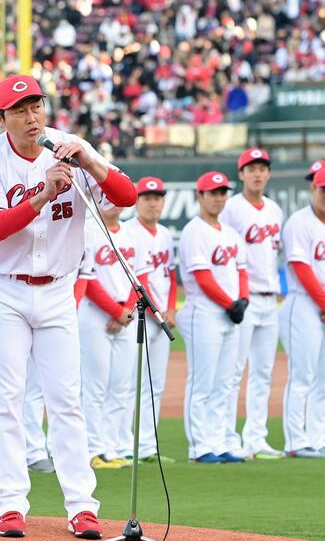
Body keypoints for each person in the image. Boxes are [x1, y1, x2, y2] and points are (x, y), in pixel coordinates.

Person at [0, 74, 136, 538]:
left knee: (66, 399)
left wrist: (91, 163)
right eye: (19, 110)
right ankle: (10, 505)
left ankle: (82, 506)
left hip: (58, 288)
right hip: (3, 288)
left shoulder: (69, 148)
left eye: (36, 106)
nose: (31, 117)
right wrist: (43, 194)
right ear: (1, 118)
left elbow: (127, 197)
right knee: (7, 398)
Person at [177, 171, 248, 464]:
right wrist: (230, 303)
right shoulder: (194, 231)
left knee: (223, 382)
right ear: (200, 195)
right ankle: (200, 445)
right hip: (203, 312)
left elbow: (242, 270)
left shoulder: (230, 232)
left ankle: (218, 441)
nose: (219, 197)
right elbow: (202, 277)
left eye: (222, 192)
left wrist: (243, 299)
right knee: (202, 382)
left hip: (229, 314)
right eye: (213, 192)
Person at [219, 149, 284, 459]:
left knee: (264, 372)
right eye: (251, 168)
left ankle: (256, 438)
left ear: (268, 174)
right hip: (243, 300)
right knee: (233, 372)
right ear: (241, 173)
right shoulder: (231, 209)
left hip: (270, 298)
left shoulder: (274, 210)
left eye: (262, 168)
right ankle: (229, 439)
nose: (257, 173)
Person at [79, 203, 151, 468]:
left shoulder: (132, 234)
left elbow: (138, 276)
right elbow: (87, 279)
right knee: (94, 387)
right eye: (105, 196)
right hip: (94, 315)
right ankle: (92, 450)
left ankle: (113, 446)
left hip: (125, 314)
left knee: (120, 386)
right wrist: (114, 311)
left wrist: (127, 310)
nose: (112, 202)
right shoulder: (88, 229)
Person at [124, 176, 177, 463]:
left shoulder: (166, 234)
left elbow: (169, 274)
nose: (153, 202)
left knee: (156, 383)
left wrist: (169, 309)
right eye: (147, 197)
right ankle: (124, 444)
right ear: (136, 200)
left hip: (161, 317)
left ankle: (147, 445)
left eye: (157, 197)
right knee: (130, 383)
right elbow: (137, 278)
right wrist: (157, 310)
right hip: (139, 315)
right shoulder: (130, 231)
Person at [279, 168, 325, 458]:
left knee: (323, 378)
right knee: (303, 375)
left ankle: (318, 437)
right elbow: (301, 267)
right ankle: (296, 441)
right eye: (323, 189)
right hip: (303, 304)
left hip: (320, 305)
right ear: (313, 189)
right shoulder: (299, 222)